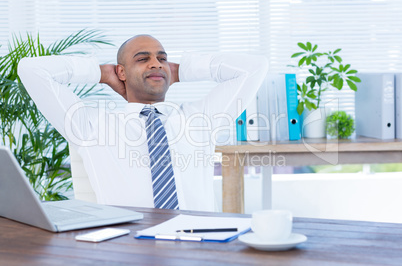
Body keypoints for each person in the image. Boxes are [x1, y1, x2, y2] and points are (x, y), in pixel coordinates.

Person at [18, 35, 268, 211]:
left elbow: (255, 68)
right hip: (128, 247)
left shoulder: (200, 118)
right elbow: (31, 70)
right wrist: (102, 73)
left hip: (197, 243)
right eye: (142, 58)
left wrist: (181, 70)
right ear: (121, 72)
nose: (156, 63)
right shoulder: (90, 125)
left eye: (162, 58)